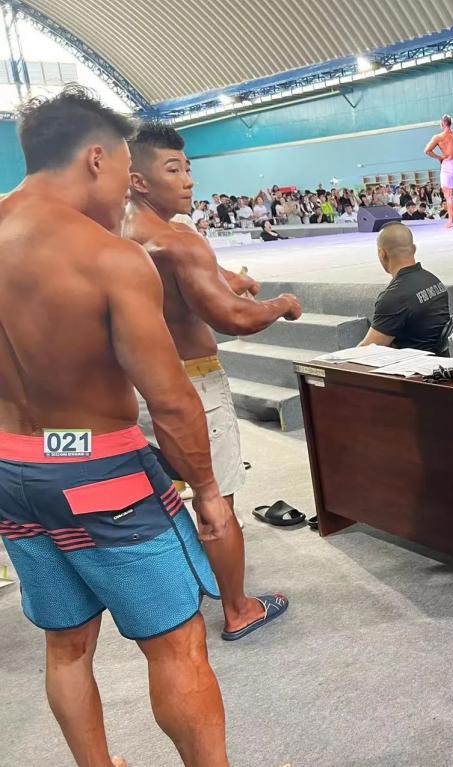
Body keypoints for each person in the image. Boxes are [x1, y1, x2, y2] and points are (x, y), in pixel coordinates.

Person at [0, 87, 232, 767]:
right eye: (125, 173)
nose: (125, 194)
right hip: (102, 476)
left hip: (13, 467)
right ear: (95, 159)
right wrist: (209, 490)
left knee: (66, 643)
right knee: (178, 644)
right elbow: (172, 401)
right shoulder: (108, 257)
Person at [123, 121, 303, 642]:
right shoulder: (181, 240)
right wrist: (281, 304)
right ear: (138, 179)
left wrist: (230, 279)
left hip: (135, 386)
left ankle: (177, 597)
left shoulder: (117, 231)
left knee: (159, 497)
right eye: (173, 170)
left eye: (188, 169)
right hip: (193, 386)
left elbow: (188, 280)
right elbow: (233, 317)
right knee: (215, 497)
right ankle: (239, 609)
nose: (188, 181)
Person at [358, 223, 451, 353]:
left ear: (382, 254)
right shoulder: (433, 280)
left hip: (414, 363)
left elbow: (367, 351)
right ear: (414, 249)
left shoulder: (394, 297)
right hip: (439, 358)